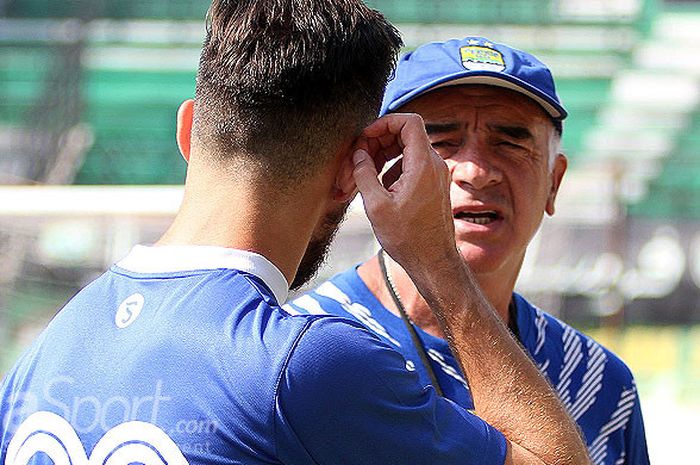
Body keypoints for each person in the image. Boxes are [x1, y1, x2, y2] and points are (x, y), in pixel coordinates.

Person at [0, 3, 590, 464]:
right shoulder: (306, 362)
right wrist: (438, 263)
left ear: (187, 133)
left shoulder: (49, 348)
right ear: (349, 175)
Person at [286, 36, 650, 465]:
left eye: (510, 141)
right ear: (378, 170)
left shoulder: (600, 382)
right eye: (438, 141)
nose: (476, 173)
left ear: (554, 181)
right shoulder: (298, 352)